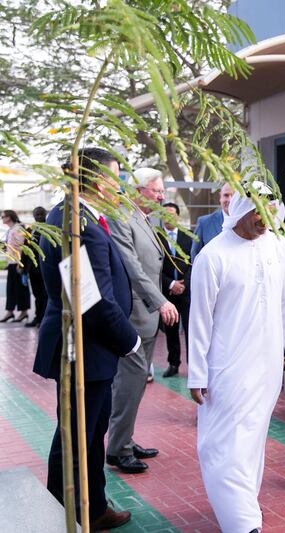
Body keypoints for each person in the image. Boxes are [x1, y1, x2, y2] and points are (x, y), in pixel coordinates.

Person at [188, 186, 285, 533]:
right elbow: (199, 321)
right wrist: (197, 374)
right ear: (239, 209)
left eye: (271, 214)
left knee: (251, 440)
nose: (266, 222)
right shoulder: (213, 256)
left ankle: (240, 507)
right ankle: (242, 523)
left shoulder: (275, 246)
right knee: (223, 444)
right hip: (226, 369)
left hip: (267, 366)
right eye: (259, 214)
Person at [33, 147, 140, 531]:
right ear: (97, 181)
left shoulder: (75, 215)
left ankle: (92, 508)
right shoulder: (76, 222)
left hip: (88, 348)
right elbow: (91, 301)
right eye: (116, 178)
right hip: (85, 348)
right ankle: (62, 515)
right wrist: (131, 341)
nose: (120, 186)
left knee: (90, 434)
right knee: (76, 436)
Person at [106, 167, 179, 474]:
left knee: (136, 384)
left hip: (147, 315)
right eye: (157, 191)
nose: (162, 197)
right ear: (138, 190)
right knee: (129, 383)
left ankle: (125, 439)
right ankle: (118, 449)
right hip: (135, 314)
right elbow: (133, 268)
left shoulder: (143, 217)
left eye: (162, 191)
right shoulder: (122, 217)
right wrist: (161, 300)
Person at [158, 202, 192, 378]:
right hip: (167, 292)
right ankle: (173, 364)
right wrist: (171, 284)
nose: (168, 217)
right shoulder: (156, 236)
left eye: (172, 214)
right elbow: (154, 267)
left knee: (190, 329)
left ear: (178, 216)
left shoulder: (189, 237)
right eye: (164, 214)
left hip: (186, 294)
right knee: (171, 331)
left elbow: (194, 263)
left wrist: (184, 284)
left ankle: (193, 366)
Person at [1, 209, 30, 323]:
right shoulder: (11, 229)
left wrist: (20, 264)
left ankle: (24, 312)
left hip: (18, 263)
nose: (2, 218)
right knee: (11, 289)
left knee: (21, 289)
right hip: (12, 263)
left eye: (3, 216)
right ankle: (10, 311)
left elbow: (21, 247)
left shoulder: (18, 229)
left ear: (9, 217)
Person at [190, 182, 233, 261]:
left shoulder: (247, 222)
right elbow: (195, 254)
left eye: (233, 196)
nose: (230, 200)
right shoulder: (204, 223)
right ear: (220, 198)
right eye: (226, 195)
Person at [23, 206, 49, 327]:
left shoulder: (49, 229)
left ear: (45, 215)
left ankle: (43, 318)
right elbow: (25, 249)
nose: (39, 216)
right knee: (37, 294)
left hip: (44, 268)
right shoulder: (29, 229)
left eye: (41, 214)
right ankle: (37, 317)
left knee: (44, 295)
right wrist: (22, 267)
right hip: (32, 269)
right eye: (36, 214)